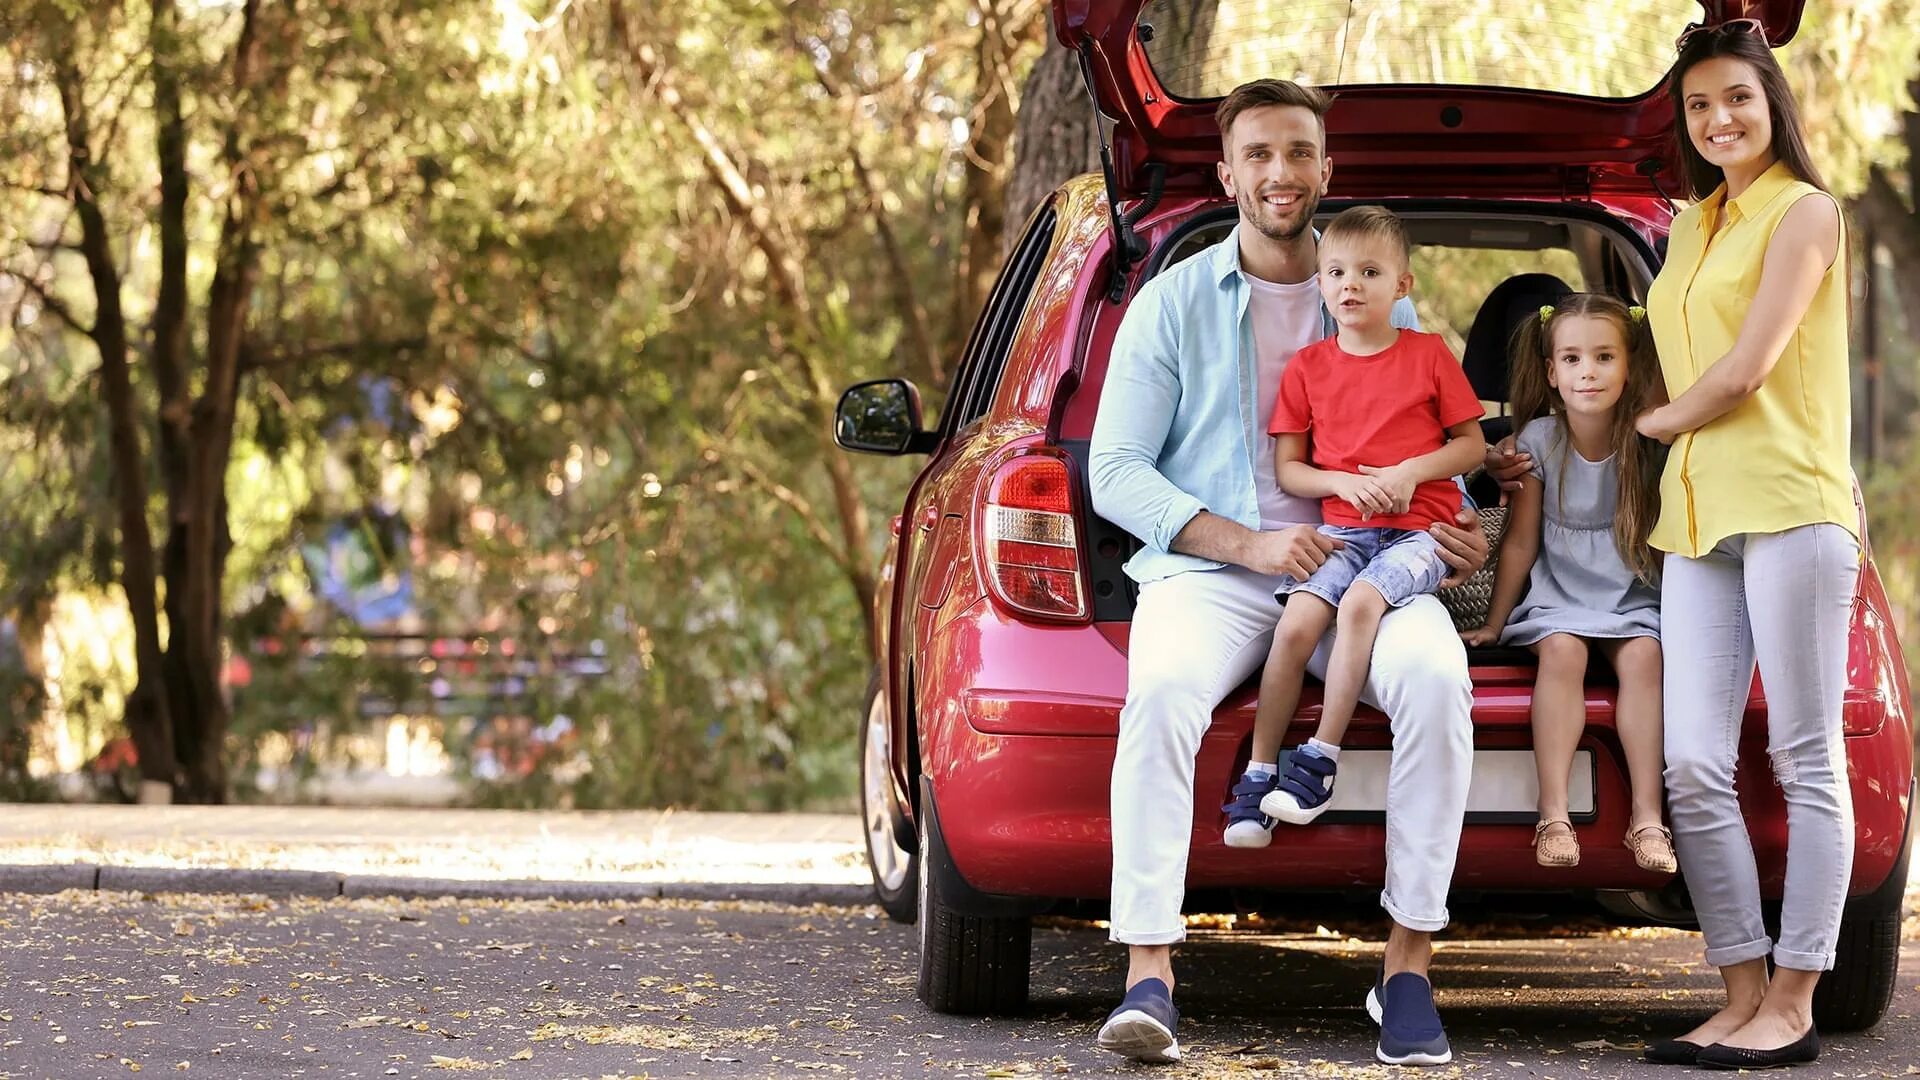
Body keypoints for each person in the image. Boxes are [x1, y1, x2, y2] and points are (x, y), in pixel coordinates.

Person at [1088, 78, 1488, 1068]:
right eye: (1258, 154)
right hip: (1217, 572)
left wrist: (1461, 530)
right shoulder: (1171, 304)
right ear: (1228, 174)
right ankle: (1149, 973)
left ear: (1326, 169)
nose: (1280, 172)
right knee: (1163, 694)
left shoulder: (1376, 294)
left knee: (1439, 685)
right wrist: (1246, 542)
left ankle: (1405, 972)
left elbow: (1434, 439)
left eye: (1298, 152)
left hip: (1373, 565)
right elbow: (1113, 471)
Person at [1632, 20, 1857, 1070]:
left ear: (1774, 106)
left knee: (1807, 754)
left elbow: (1747, 368)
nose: (1719, 119)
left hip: (1790, 507)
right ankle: (1740, 991)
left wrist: (1647, 425)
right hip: (1696, 519)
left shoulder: (1806, 213)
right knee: (1690, 765)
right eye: (1699, 106)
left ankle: (1799, 996)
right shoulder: (1689, 228)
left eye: (1738, 100)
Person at [1222, 206, 1485, 845]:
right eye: (1336, 271)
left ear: (1402, 286)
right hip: (1345, 531)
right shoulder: (1309, 368)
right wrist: (1341, 482)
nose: (1351, 285)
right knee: (1296, 625)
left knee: (1363, 603)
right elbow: (1290, 469)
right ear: (1319, 281)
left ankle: (1320, 758)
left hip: (1421, 532)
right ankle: (1259, 775)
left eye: (1370, 272)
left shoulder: (1426, 355)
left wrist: (1410, 472)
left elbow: (1471, 446)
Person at [1460, 294, 1672, 873]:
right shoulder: (1536, 443)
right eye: (1573, 359)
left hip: (1629, 595)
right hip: (1559, 597)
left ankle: (1648, 820)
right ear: (1552, 373)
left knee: (1645, 659)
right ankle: (1553, 814)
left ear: (1630, 367)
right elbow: (1522, 544)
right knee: (1561, 653)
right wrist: (1496, 623)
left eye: (1605, 357)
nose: (1589, 372)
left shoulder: (1648, 440)